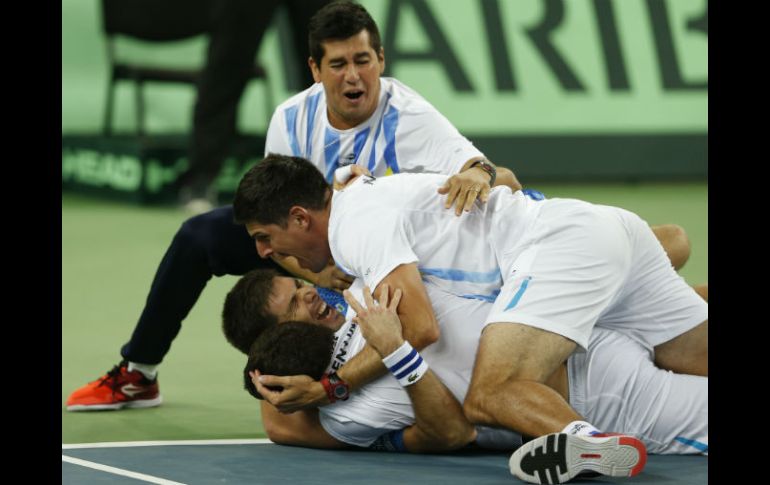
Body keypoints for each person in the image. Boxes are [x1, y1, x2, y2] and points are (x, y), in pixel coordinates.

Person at [66, 0, 692, 412]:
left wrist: (478, 174)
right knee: (200, 238)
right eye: (337, 64)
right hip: (323, 249)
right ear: (316, 70)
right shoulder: (292, 119)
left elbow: (481, 168)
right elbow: (281, 217)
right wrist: (316, 274)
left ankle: (618, 288)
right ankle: (137, 372)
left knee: (666, 244)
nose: (352, 75)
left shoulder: (409, 114)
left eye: (363, 60)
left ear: (380, 62)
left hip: (397, 252)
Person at [230, 154, 708, 481]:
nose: (266, 251)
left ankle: (581, 439)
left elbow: (418, 329)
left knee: (492, 393)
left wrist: (332, 387)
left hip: (555, 251)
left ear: (299, 217)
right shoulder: (362, 204)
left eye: (263, 236)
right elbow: (500, 176)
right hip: (599, 227)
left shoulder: (353, 227)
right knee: (696, 352)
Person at [225, 271, 706, 458]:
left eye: (298, 285)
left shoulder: (361, 290)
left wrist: (330, 386)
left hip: (585, 331)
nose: (309, 294)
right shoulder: (349, 412)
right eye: (293, 303)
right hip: (596, 396)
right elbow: (452, 433)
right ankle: (585, 444)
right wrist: (388, 356)